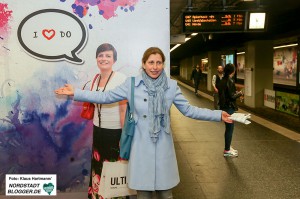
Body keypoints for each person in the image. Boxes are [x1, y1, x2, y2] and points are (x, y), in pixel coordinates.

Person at [55, 47, 232, 199]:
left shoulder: (171, 86)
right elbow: (105, 96)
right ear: (144, 64)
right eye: (151, 62)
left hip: (163, 147)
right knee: (143, 195)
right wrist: (76, 92)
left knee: (166, 194)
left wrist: (217, 115)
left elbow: (189, 110)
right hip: (140, 147)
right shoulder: (132, 84)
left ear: (163, 64)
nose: (155, 67)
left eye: (158, 63)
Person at [85, 43, 127, 199]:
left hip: (115, 133)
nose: (104, 59)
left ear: (114, 60)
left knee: (114, 172)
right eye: (101, 55)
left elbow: (124, 110)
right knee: (98, 169)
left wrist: (124, 138)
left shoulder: (121, 79)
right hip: (98, 131)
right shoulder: (95, 80)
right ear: (96, 59)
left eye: (108, 56)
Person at [218, 63, 243, 157]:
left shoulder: (222, 80)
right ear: (233, 71)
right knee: (230, 129)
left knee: (227, 128)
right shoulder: (230, 81)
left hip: (223, 107)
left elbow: (225, 94)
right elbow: (232, 96)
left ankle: (227, 146)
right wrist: (239, 93)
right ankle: (227, 150)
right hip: (229, 108)